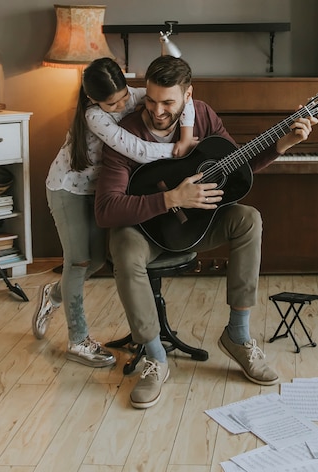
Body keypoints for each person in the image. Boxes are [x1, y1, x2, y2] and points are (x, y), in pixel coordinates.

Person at [95, 55, 318, 408]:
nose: (157, 110)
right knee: (122, 243)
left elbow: (235, 168)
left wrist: (282, 145)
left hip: (196, 227)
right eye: (150, 100)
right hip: (145, 234)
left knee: (249, 218)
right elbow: (106, 209)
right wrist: (169, 198)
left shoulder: (203, 116)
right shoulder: (127, 132)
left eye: (168, 102)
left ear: (188, 95)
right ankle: (155, 357)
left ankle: (238, 336)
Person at [32, 57, 196, 368]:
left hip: (99, 192)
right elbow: (138, 151)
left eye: (124, 97)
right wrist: (182, 153)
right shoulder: (94, 116)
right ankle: (78, 340)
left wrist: (186, 136)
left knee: (96, 260)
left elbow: (187, 101)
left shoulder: (133, 96)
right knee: (79, 262)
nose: (122, 105)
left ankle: (54, 295)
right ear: (93, 99)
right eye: (112, 102)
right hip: (67, 190)